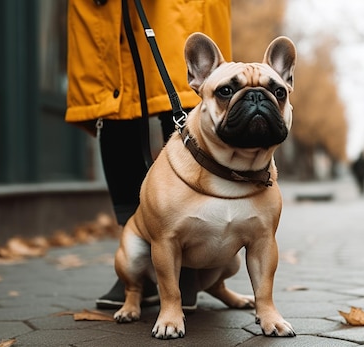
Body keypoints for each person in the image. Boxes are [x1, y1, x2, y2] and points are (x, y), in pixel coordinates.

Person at [65, 0, 232, 310]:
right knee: (114, 112)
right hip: (108, 10)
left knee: (182, 104)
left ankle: (189, 260)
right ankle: (139, 254)